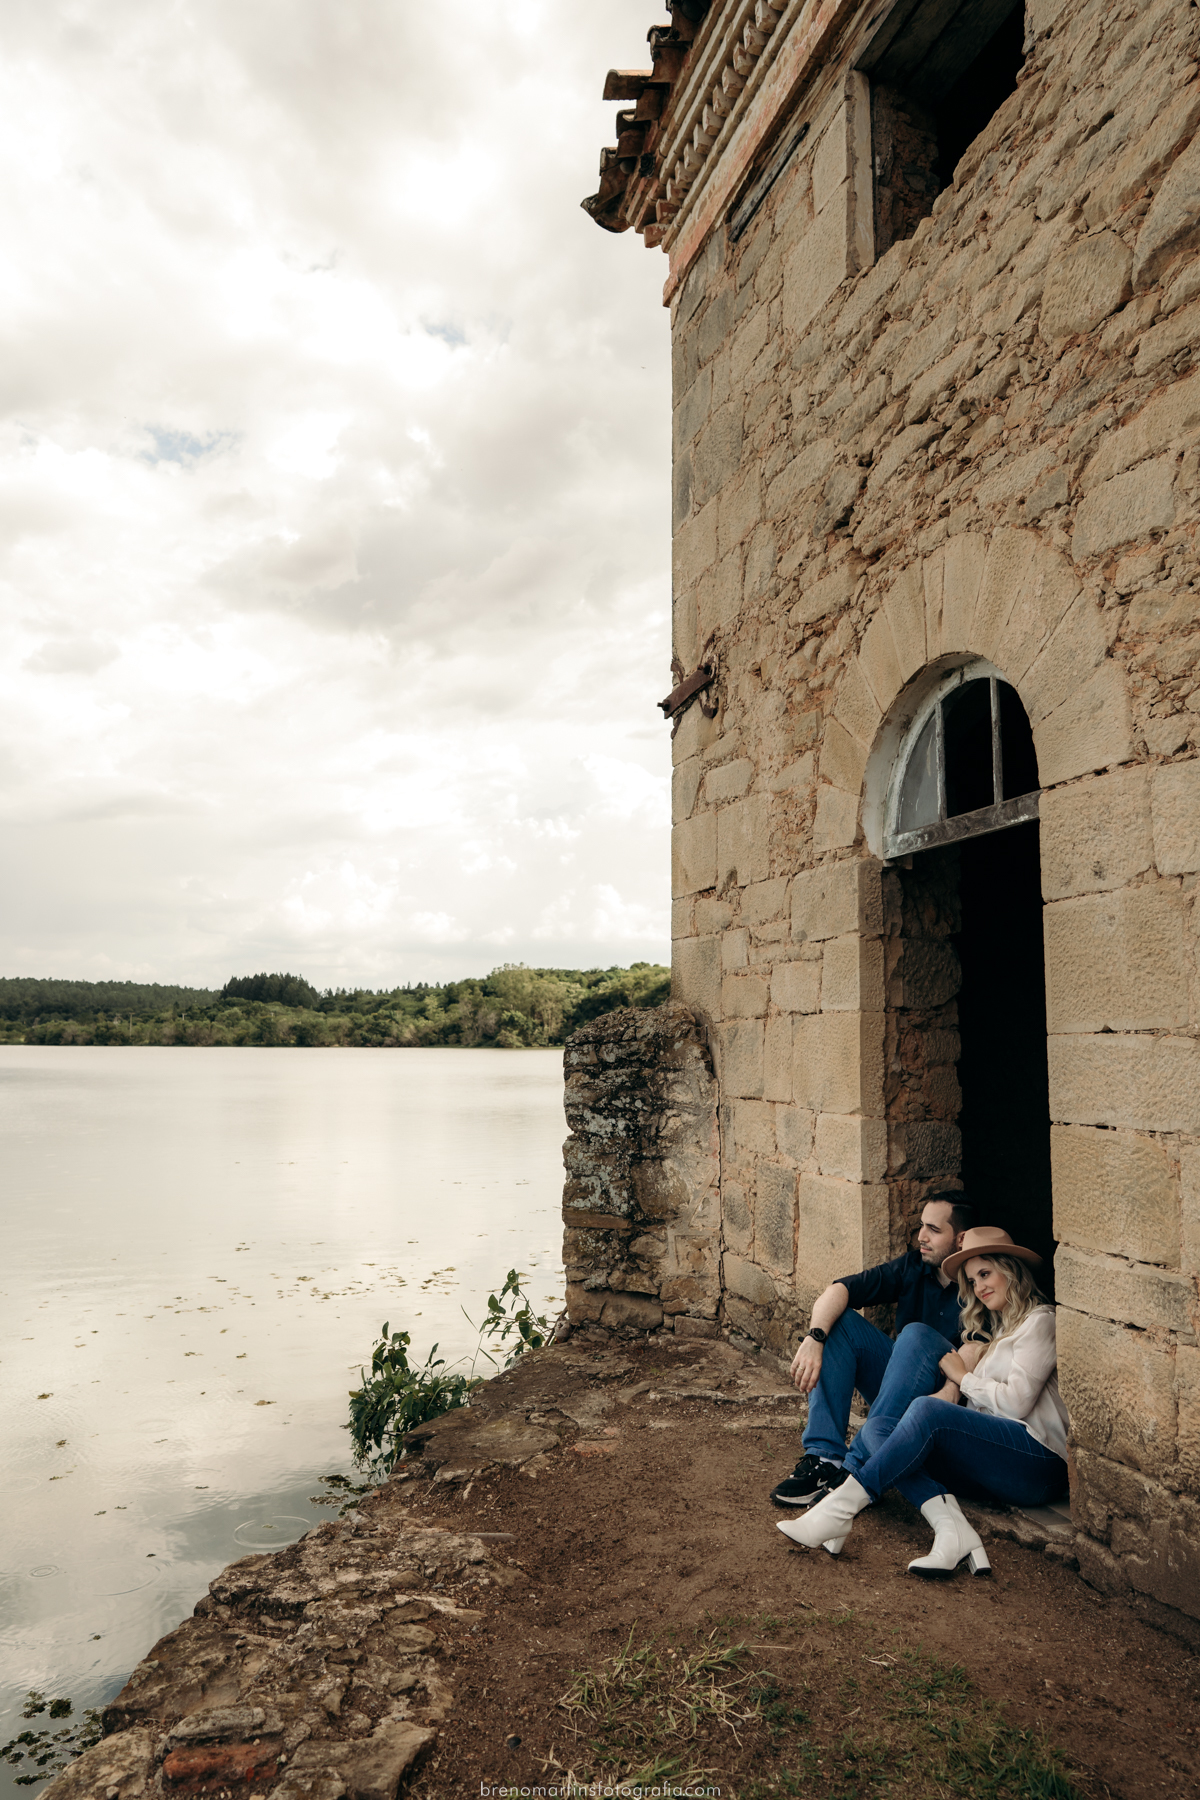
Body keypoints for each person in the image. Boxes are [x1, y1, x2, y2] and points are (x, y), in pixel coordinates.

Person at [776, 1227, 1069, 1576]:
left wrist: (961, 1379)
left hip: (1036, 1461)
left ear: (1011, 1270)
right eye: (973, 1280)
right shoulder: (999, 1329)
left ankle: (840, 1508)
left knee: (925, 1409)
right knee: (880, 1429)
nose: (979, 1286)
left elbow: (1016, 1404)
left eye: (985, 1274)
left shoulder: (1041, 1322)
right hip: (993, 1461)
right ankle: (952, 1527)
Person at [770, 1191, 977, 1509]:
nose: (922, 1236)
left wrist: (952, 1387)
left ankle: (859, 1466)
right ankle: (827, 1461)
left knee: (915, 1336)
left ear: (960, 1239)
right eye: (922, 1226)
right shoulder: (913, 1267)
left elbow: (983, 1344)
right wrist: (814, 1338)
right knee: (838, 1323)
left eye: (934, 1230)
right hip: (899, 1388)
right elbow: (840, 1289)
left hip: (942, 1405)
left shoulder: (981, 1279)